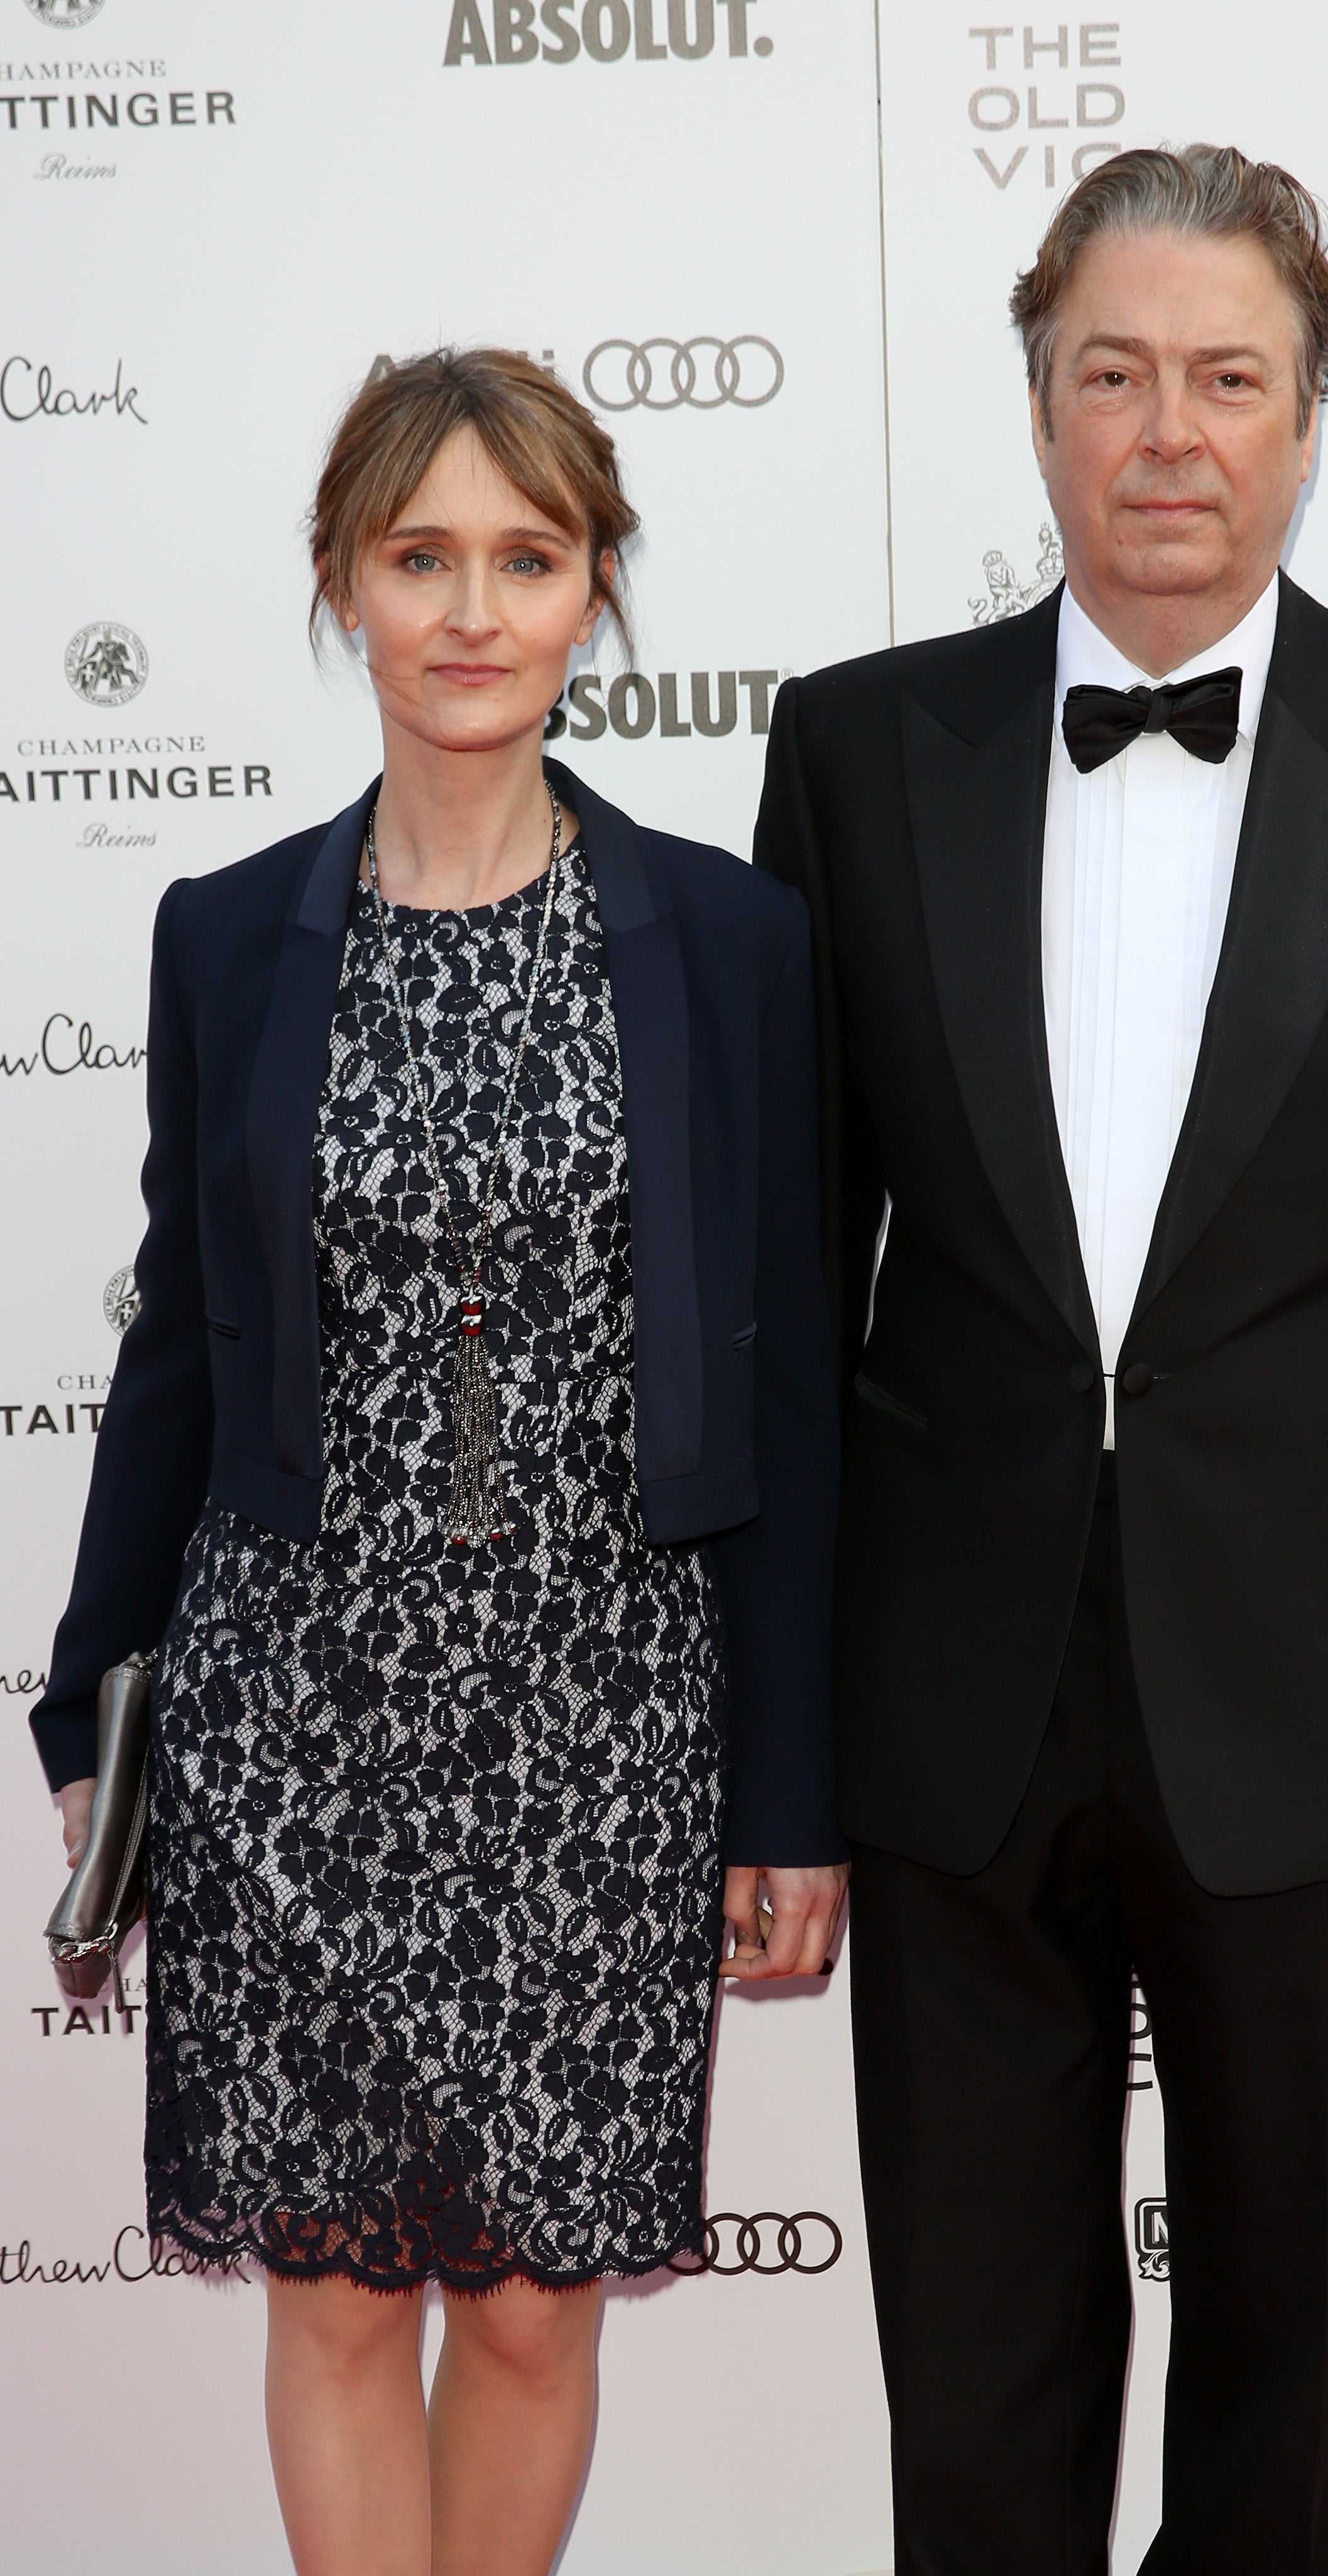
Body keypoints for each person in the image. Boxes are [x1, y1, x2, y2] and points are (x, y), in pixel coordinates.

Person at [754, 146, 1328, 2574]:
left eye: (1228, 378)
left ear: (1308, 413)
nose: (1171, 431)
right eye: (1114, 375)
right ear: (1038, 413)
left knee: (1302, 2393)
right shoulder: (853, 752)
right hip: (953, 1698)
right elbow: (797, 1271)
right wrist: (781, 1743)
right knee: (976, 2381)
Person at [33, 347, 845, 2576]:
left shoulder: (732, 945)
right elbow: (177, 1356)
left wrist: (789, 1789)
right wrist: (87, 1690)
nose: (475, 609)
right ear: (342, 590)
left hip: (602, 1713)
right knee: (332, 2288)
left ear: (594, 593)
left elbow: (787, 1397)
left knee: (523, 2306)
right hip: (296, 1698)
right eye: (422, 558)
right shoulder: (227, 936)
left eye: (528, 555)